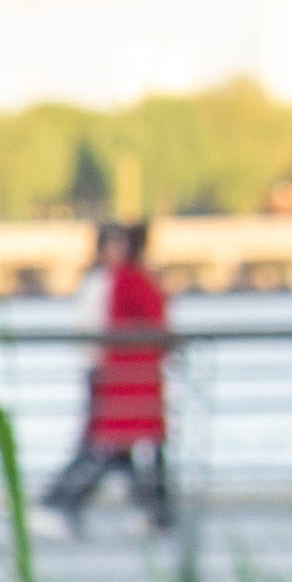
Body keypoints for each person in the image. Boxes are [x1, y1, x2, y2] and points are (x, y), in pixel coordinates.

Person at [48, 214, 174, 530]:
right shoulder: (118, 281)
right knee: (109, 445)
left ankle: (148, 507)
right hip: (118, 374)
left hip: (127, 374)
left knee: (115, 446)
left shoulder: (122, 279)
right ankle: (62, 501)